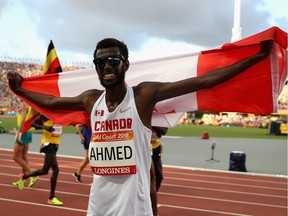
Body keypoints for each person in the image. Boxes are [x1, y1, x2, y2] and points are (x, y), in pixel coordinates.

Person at [7, 38, 272, 215]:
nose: (108, 65)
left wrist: (257, 57)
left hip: (133, 206)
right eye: (101, 62)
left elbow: (204, 82)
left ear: (126, 65)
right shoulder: (90, 100)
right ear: (96, 68)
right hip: (98, 204)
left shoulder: (143, 96)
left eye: (114, 60)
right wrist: (19, 89)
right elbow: (52, 101)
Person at [17, 114, 63, 206]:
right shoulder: (46, 114)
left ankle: (24, 176)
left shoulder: (60, 115)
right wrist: (45, 127)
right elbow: (33, 124)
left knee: (44, 171)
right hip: (47, 144)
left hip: (55, 144)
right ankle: (51, 198)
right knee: (56, 170)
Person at [12, 100, 38, 189]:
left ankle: (32, 175)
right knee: (23, 157)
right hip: (28, 131)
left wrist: (18, 133)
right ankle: (22, 179)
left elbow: (23, 118)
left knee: (15, 157)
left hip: (24, 132)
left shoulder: (24, 104)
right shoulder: (28, 103)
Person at [151, 126, 168, 192]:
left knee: (159, 176)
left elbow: (164, 131)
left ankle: (154, 192)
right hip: (144, 147)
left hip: (156, 148)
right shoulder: (144, 118)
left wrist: (154, 126)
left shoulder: (159, 120)